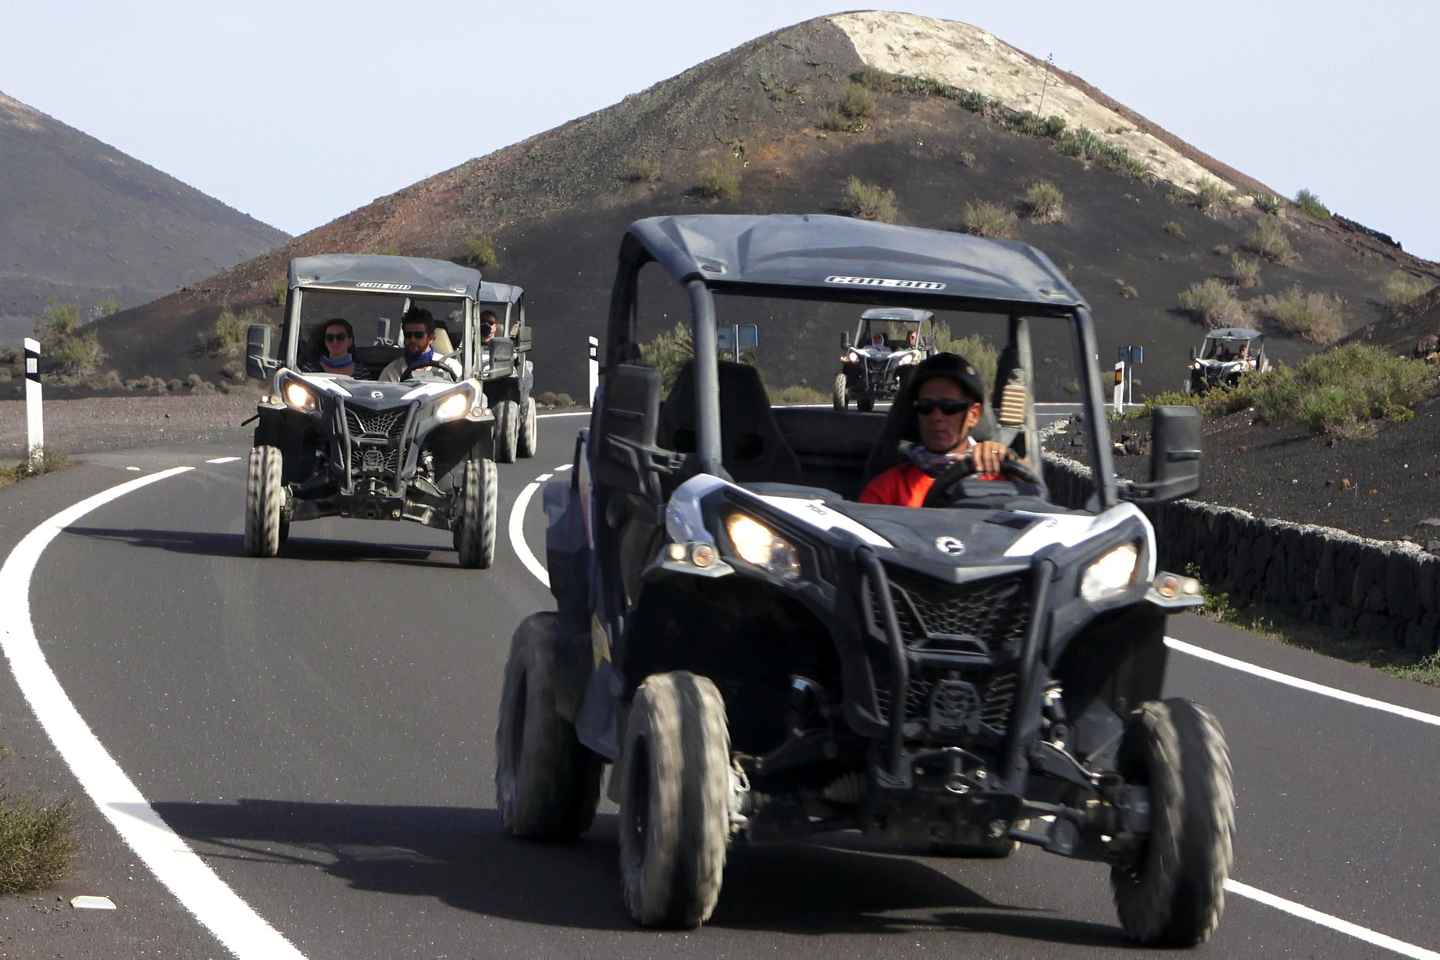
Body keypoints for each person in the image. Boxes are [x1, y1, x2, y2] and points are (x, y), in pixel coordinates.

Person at [859, 352, 1012, 507]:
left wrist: (1009, 459)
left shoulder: (1001, 477)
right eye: (926, 407)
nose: (936, 416)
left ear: (973, 414)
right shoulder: (887, 489)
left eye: (949, 407)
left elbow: (1032, 505)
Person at [379, 307, 460, 382]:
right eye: (408, 335)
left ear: (431, 338)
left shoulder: (451, 366)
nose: (412, 339)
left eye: (418, 335)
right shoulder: (392, 371)